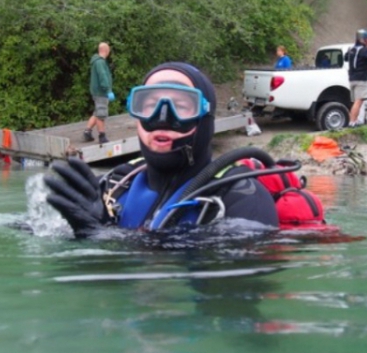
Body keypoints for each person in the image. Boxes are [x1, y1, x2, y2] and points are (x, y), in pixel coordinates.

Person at [46, 62, 280, 237]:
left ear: (205, 118)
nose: (163, 117)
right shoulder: (116, 184)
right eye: (149, 105)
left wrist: (102, 238)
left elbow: (231, 288)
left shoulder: (242, 197)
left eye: (180, 106)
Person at [83, 42, 115, 144]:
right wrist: (108, 91)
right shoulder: (100, 62)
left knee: (97, 112)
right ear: (106, 50)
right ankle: (102, 136)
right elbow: (103, 77)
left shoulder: (97, 61)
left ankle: (87, 132)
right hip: (101, 92)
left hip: (97, 92)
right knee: (101, 114)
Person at [344, 29, 367, 127]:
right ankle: (352, 122)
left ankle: (352, 121)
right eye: (366, 39)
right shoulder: (364, 50)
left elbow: (345, 57)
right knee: (358, 101)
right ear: (362, 39)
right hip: (361, 79)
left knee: (354, 102)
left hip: (352, 79)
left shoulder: (352, 49)